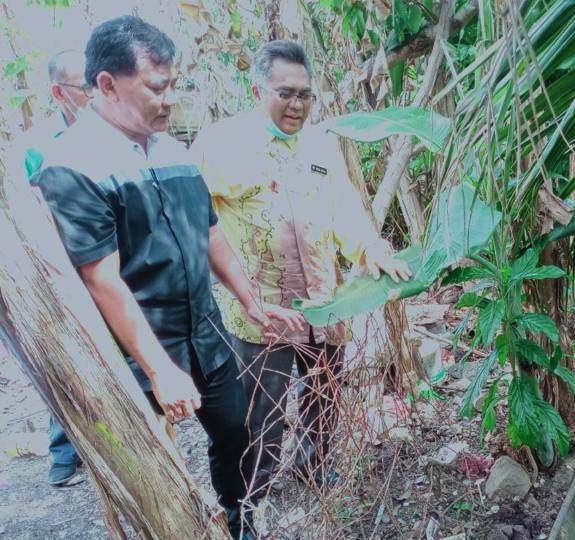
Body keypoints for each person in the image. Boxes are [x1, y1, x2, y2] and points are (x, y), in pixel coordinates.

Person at [32, 17, 302, 538]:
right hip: (133, 350)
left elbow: (209, 232)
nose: (170, 99)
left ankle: (238, 520)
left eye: (173, 84)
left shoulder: (173, 151)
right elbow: (101, 278)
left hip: (206, 332)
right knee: (150, 464)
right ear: (107, 84)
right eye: (157, 86)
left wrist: (249, 300)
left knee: (238, 432)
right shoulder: (73, 165)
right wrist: (158, 368)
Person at [192, 40, 410, 493]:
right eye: (285, 93)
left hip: (323, 304)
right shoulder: (221, 144)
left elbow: (345, 208)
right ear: (258, 91)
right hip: (262, 314)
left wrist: (372, 249)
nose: (297, 105)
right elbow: (198, 221)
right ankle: (258, 488)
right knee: (262, 407)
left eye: (305, 94)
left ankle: (314, 467)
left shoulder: (319, 144)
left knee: (324, 395)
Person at [20, 49, 93, 487]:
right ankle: (63, 454)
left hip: (109, 268)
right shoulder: (37, 148)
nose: (94, 95)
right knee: (67, 361)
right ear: (58, 92)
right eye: (84, 88)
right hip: (61, 272)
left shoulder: (112, 135)